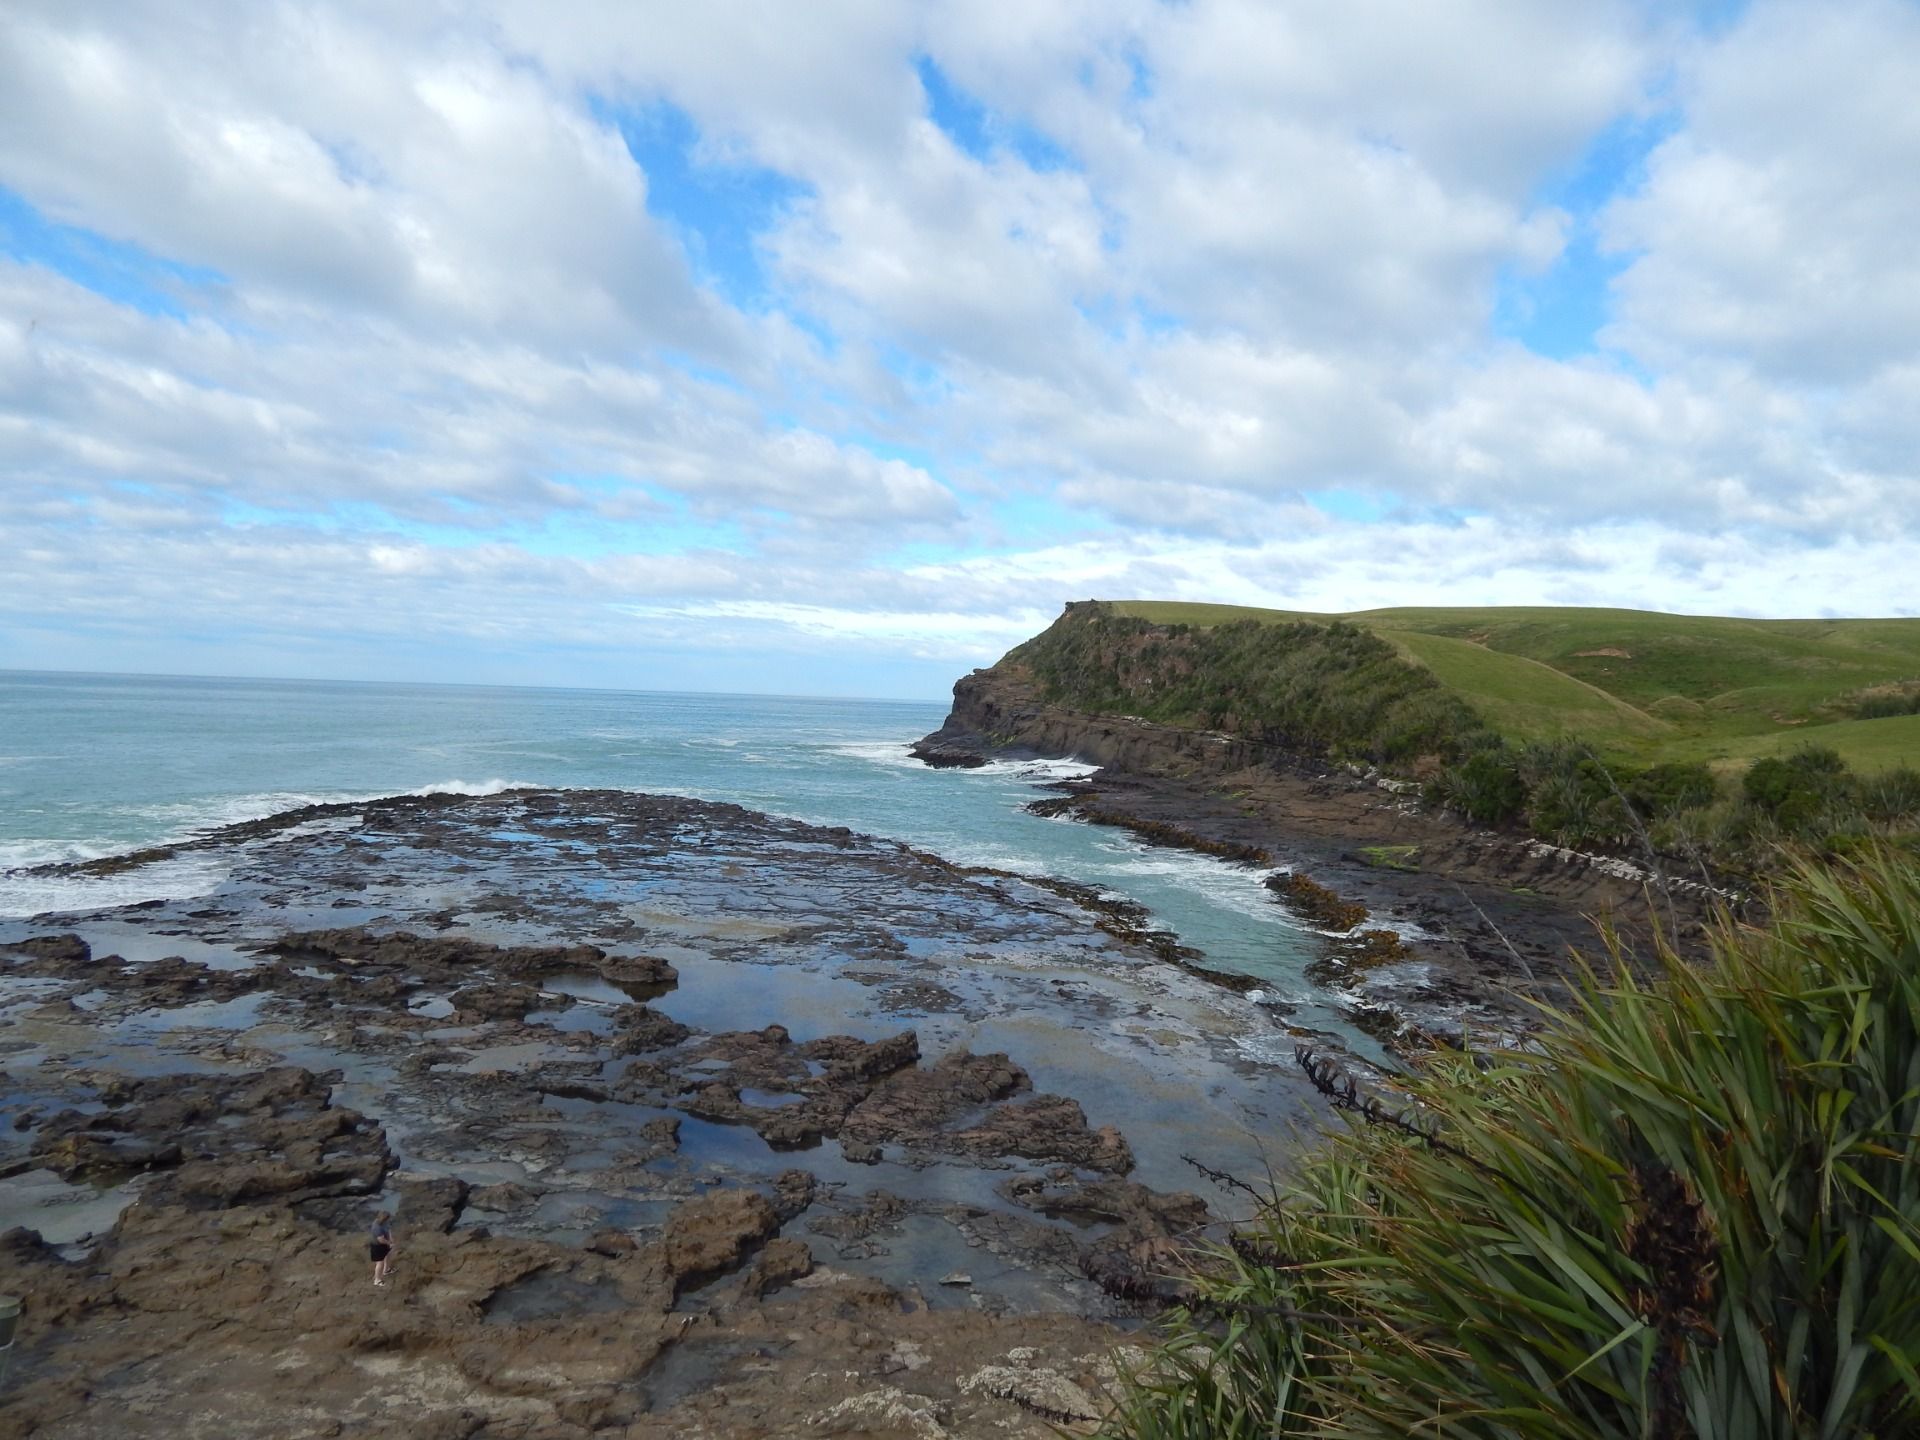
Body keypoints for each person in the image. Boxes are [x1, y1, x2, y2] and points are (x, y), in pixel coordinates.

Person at [369, 1211, 395, 1287]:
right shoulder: (376, 1227)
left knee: (388, 1254)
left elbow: (388, 1229)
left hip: (385, 1244)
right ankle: (377, 1280)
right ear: (384, 1219)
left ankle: (386, 1270)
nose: (388, 1220)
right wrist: (389, 1243)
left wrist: (391, 1238)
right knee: (380, 1263)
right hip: (377, 1246)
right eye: (387, 1219)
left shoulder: (384, 1222)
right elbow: (381, 1240)